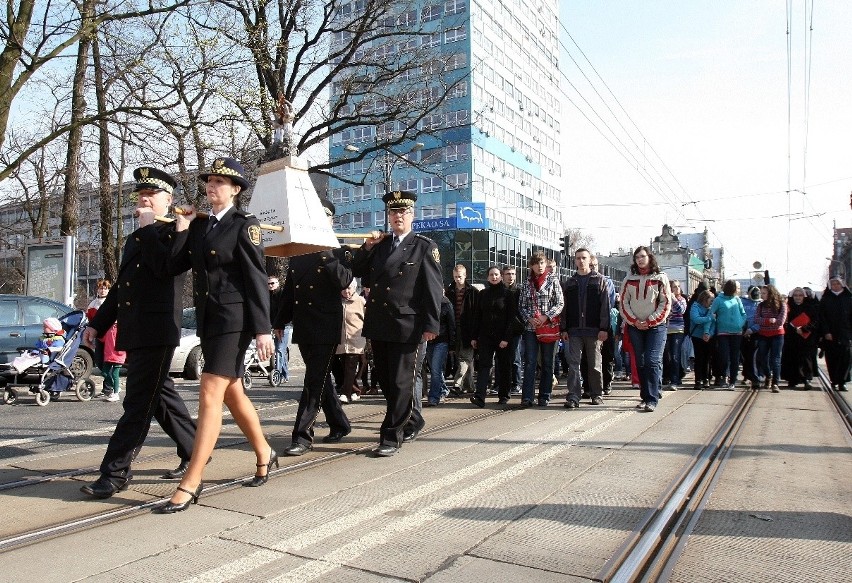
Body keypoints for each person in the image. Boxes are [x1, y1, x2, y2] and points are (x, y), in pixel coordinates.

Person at [161, 157, 276, 513]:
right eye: (209, 181)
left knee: (210, 388)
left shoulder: (245, 225)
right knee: (232, 392)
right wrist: (181, 227)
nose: (212, 186)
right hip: (210, 320)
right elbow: (174, 265)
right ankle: (264, 452)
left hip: (236, 319)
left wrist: (263, 329)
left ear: (236, 190)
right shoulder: (199, 225)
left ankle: (192, 480)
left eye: (220, 182)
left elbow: (257, 278)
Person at [80, 167, 198, 500]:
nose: (143, 199)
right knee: (161, 400)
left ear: (168, 199)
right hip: (137, 331)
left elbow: (165, 267)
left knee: (137, 404)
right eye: (140, 195)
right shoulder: (136, 237)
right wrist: (97, 324)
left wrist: (148, 226)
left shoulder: (178, 231)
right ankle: (194, 450)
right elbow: (121, 288)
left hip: (158, 331)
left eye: (151, 195)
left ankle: (115, 473)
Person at [351, 190, 443, 456]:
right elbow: (356, 271)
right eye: (393, 212)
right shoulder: (379, 245)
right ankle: (412, 419)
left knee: (403, 382)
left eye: (402, 212)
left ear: (412, 214)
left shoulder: (425, 246)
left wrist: (431, 325)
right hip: (380, 323)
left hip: (408, 325)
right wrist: (366, 247)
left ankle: (391, 436)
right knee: (387, 382)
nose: (397, 216)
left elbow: (433, 289)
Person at [273, 197, 353, 456]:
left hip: (326, 325)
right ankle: (340, 424)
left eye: (325, 217)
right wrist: (279, 321)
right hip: (304, 325)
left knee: (313, 381)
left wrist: (327, 254)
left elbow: (344, 281)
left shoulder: (339, 250)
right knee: (321, 381)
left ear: (331, 221)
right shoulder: (299, 251)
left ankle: (302, 436)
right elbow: (289, 290)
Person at [619, 246, 671, 412]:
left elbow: (665, 302)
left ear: (649, 257)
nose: (640, 259)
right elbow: (623, 302)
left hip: (656, 327)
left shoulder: (660, 277)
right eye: (637, 257)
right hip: (635, 326)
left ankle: (652, 398)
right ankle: (646, 395)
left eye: (642, 256)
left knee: (652, 360)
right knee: (640, 362)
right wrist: (634, 320)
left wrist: (650, 320)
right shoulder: (629, 279)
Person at [561, 248, 610, 408]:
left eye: (584, 258)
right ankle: (573, 396)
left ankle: (596, 394)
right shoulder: (569, 283)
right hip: (574, 330)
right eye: (578, 258)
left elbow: (605, 307)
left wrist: (604, 328)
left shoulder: (599, 280)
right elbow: (564, 308)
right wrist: (564, 329)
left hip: (594, 330)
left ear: (589, 260)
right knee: (573, 364)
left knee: (595, 364)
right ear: (574, 261)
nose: (581, 261)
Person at [518, 251, 564, 407]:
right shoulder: (527, 282)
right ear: (531, 265)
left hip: (548, 328)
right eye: (536, 263)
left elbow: (560, 303)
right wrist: (529, 319)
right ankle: (527, 397)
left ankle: (544, 395)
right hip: (531, 328)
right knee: (530, 362)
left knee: (547, 362)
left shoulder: (553, 281)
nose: (539, 266)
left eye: (542, 263)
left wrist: (546, 317)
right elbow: (521, 305)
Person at [470, 266, 517, 407]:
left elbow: (511, 318)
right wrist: (474, 336)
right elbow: (477, 316)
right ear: (487, 277)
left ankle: (504, 394)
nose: (494, 277)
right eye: (491, 275)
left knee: (504, 366)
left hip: (502, 337)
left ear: (501, 276)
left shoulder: (508, 294)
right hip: (485, 337)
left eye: (496, 274)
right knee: (484, 366)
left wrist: (506, 338)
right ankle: (480, 397)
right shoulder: (483, 294)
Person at [709, 280, 747, 389]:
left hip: (737, 332)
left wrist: (740, 323)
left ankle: (733, 380)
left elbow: (743, 314)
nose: (738, 290)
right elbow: (711, 312)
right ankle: (724, 375)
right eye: (737, 288)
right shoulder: (718, 300)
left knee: (735, 357)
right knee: (724, 356)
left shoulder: (737, 299)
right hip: (723, 332)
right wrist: (715, 321)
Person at [335, 278, 367, 403]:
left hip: (356, 339)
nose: (346, 291)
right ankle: (356, 390)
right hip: (341, 340)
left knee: (350, 366)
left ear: (354, 288)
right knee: (345, 368)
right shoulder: (337, 301)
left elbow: (367, 319)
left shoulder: (360, 301)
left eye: (349, 288)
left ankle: (345, 394)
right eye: (344, 289)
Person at [446, 264, 476, 395]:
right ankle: (470, 387)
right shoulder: (449, 292)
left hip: (468, 329)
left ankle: (457, 384)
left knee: (464, 358)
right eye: (455, 277)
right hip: (453, 328)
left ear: (465, 276)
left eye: (460, 276)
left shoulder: (472, 292)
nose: (457, 279)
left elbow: (477, 313)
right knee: (462, 358)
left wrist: (476, 333)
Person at [781, 287, 819, 389]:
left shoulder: (810, 307)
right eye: (795, 295)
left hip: (806, 338)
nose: (798, 297)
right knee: (791, 358)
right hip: (791, 337)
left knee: (805, 359)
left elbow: (815, 321)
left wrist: (804, 329)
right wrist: (792, 328)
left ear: (804, 296)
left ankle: (806, 379)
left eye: (800, 295)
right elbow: (784, 321)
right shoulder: (788, 307)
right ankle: (792, 380)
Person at [819, 276, 852, 391]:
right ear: (830, 286)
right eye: (833, 284)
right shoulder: (826, 299)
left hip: (845, 333)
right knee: (832, 358)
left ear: (842, 284)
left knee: (845, 358)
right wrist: (826, 332)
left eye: (837, 284)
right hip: (830, 334)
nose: (835, 286)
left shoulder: (849, 298)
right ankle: (834, 380)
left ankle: (843, 381)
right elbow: (822, 318)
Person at [753, 285, 787, 393]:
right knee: (762, 358)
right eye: (761, 293)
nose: (761, 295)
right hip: (763, 334)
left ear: (771, 293)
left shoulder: (781, 304)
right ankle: (768, 375)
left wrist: (770, 321)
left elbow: (780, 321)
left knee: (775, 359)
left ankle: (775, 383)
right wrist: (769, 321)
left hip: (777, 335)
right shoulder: (760, 305)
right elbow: (757, 319)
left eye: (764, 293)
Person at [425, 291, 455, 406]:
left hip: (442, 341)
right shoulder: (427, 302)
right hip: (429, 340)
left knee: (436, 370)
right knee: (434, 369)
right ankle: (443, 389)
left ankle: (433, 397)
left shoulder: (446, 304)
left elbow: (451, 325)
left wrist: (452, 344)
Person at [502, 265, 524, 394]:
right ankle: (501, 383)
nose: (510, 276)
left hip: (515, 329)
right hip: (502, 329)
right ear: (503, 275)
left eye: (513, 274)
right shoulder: (500, 290)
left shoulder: (519, 291)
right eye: (508, 274)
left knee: (515, 357)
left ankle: (516, 383)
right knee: (501, 359)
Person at [689, 289, 716, 389]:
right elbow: (696, 319)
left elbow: (713, 324)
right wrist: (709, 318)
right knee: (699, 358)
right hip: (697, 336)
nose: (712, 302)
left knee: (707, 359)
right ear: (705, 299)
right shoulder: (695, 306)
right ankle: (698, 380)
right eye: (711, 300)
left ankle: (706, 378)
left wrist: (709, 334)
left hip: (708, 337)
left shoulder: (711, 309)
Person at [663, 280, 687, 391]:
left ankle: (675, 380)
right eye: (674, 286)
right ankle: (671, 377)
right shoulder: (666, 299)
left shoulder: (682, 300)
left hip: (678, 330)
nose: (677, 288)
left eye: (678, 286)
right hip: (667, 330)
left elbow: (681, 310)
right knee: (667, 356)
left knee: (675, 355)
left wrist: (673, 298)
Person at [267, 275, 290, 382]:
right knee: (281, 350)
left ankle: (278, 375)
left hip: (284, 326)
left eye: (273, 283)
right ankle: (285, 375)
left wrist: (280, 324)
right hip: (273, 326)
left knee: (279, 350)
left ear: (278, 284)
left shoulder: (282, 295)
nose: (270, 285)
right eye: (268, 284)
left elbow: (283, 311)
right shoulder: (267, 296)